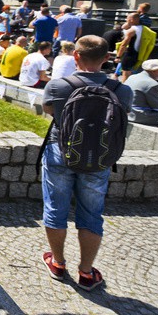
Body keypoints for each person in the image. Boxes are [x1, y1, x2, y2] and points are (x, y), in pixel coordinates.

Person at [41, 35, 132, 291]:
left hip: (61, 150)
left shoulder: (58, 86)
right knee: (92, 214)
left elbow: (49, 111)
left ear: (76, 56)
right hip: (100, 156)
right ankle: (86, 272)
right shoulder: (122, 90)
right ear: (106, 58)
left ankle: (57, 263)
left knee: (55, 208)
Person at [125, 59, 158, 127]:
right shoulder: (152, 84)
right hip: (138, 115)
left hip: (126, 112)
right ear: (154, 70)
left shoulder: (132, 77)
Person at [116, 12, 143, 82]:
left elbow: (124, 45)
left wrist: (118, 56)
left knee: (125, 74)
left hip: (130, 54)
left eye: (127, 18)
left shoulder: (131, 31)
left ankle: (124, 87)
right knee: (131, 74)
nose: (126, 19)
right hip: (139, 53)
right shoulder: (143, 28)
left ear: (131, 20)